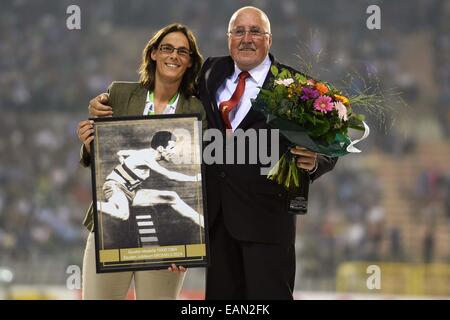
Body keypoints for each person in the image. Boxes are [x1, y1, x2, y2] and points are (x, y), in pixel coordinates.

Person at [88, 7, 338, 299]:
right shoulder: (210, 72)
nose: (246, 39)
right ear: (228, 38)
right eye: (239, 31)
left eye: (255, 31)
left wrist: (315, 162)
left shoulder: (296, 86)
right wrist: (107, 104)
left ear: (269, 39)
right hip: (217, 226)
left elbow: (332, 140)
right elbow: (163, 95)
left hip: (267, 225)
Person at [77, 23, 206, 300]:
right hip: (111, 228)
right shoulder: (120, 94)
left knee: (170, 198)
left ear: (190, 62)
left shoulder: (198, 109)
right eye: (167, 48)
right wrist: (90, 141)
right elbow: (99, 155)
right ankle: (107, 208)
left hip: (167, 237)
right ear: (153, 54)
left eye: (183, 51)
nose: (174, 55)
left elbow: (205, 171)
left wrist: (195, 242)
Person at [97, 130, 204, 229]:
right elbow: (170, 176)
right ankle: (96, 205)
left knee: (172, 197)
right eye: (171, 148)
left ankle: (204, 224)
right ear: (161, 149)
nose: (174, 153)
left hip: (132, 192)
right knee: (123, 214)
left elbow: (120, 152)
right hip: (115, 187)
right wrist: (195, 178)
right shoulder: (147, 157)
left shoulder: (146, 153)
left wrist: (123, 161)